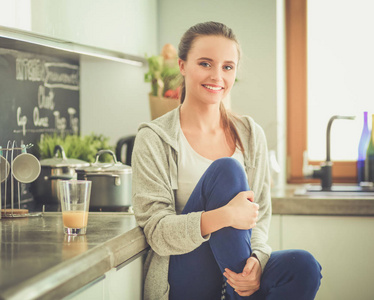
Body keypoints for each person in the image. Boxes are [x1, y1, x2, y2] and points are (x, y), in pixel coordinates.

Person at [132, 21, 322, 300]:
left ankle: (241, 289)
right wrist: (224, 216)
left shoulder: (249, 134)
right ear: (183, 66)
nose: (217, 76)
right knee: (227, 171)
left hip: (237, 271)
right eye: (205, 64)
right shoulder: (154, 139)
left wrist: (256, 260)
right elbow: (157, 233)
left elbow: (260, 219)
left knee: (303, 266)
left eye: (227, 67)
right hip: (184, 273)